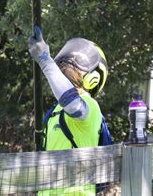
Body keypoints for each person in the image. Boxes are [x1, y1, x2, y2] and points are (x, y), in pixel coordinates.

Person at [28, 26, 108, 195]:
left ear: (94, 78)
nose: (67, 64)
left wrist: (44, 60)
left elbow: (73, 105)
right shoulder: (55, 111)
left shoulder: (90, 107)